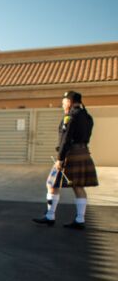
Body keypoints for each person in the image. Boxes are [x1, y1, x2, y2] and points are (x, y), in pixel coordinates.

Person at [33, 90, 99, 229]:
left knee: (51, 184)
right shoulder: (88, 117)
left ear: (69, 102)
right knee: (78, 186)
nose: (63, 106)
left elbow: (65, 139)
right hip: (83, 152)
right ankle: (80, 220)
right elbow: (86, 136)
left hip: (70, 154)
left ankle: (50, 216)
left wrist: (60, 159)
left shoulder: (69, 117)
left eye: (63, 103)